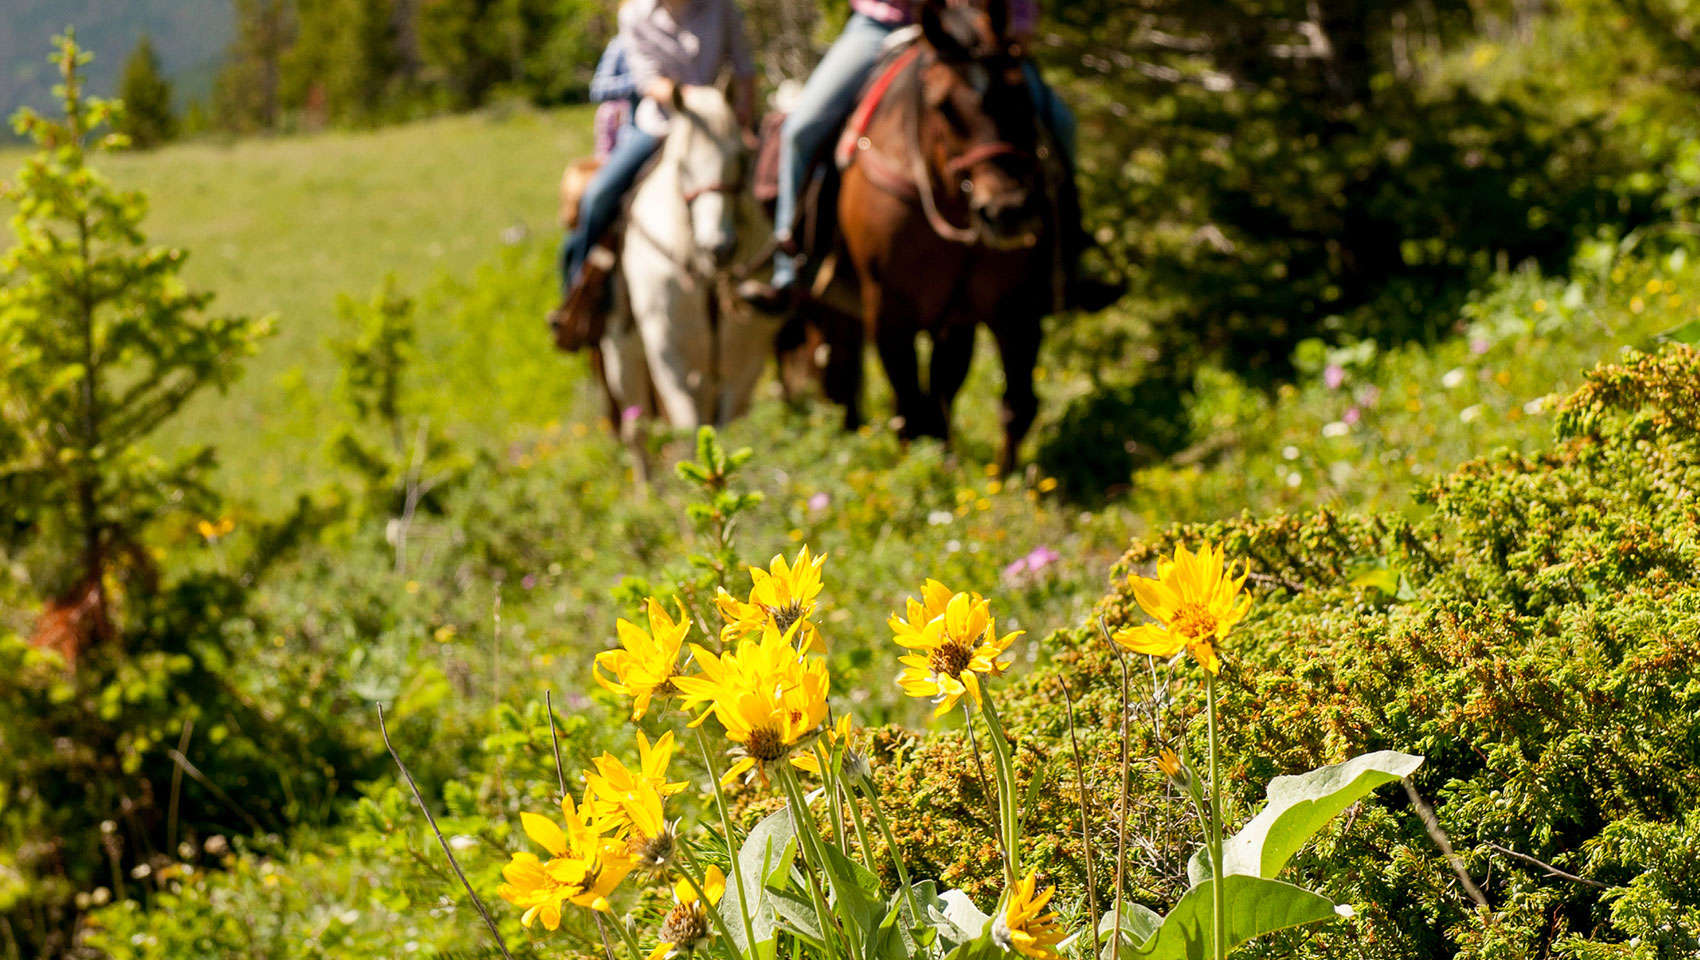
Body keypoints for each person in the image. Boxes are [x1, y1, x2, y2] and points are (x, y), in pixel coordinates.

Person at [737, 0, 1114, 313]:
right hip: (882, 26)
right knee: (802, 129)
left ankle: (1070, 256)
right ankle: (788, 266)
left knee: (1061, 123)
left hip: (970, 28)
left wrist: (1020, 20)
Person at [551, 0, 757, 323]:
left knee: (771, 189)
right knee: (598, 196)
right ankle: (581, 298)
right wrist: (696, 101)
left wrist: (744, 121)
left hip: (720, 131)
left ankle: (789, 291)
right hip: (658, 128)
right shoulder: (633, 15)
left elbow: (745, 70)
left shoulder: (722, 8)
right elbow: (648, 81)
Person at [589, 35, 640, 161]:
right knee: (602, 181)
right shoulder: (621, 44)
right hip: (635, 136)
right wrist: (641, 80)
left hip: (681, 130)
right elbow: (598, 88)